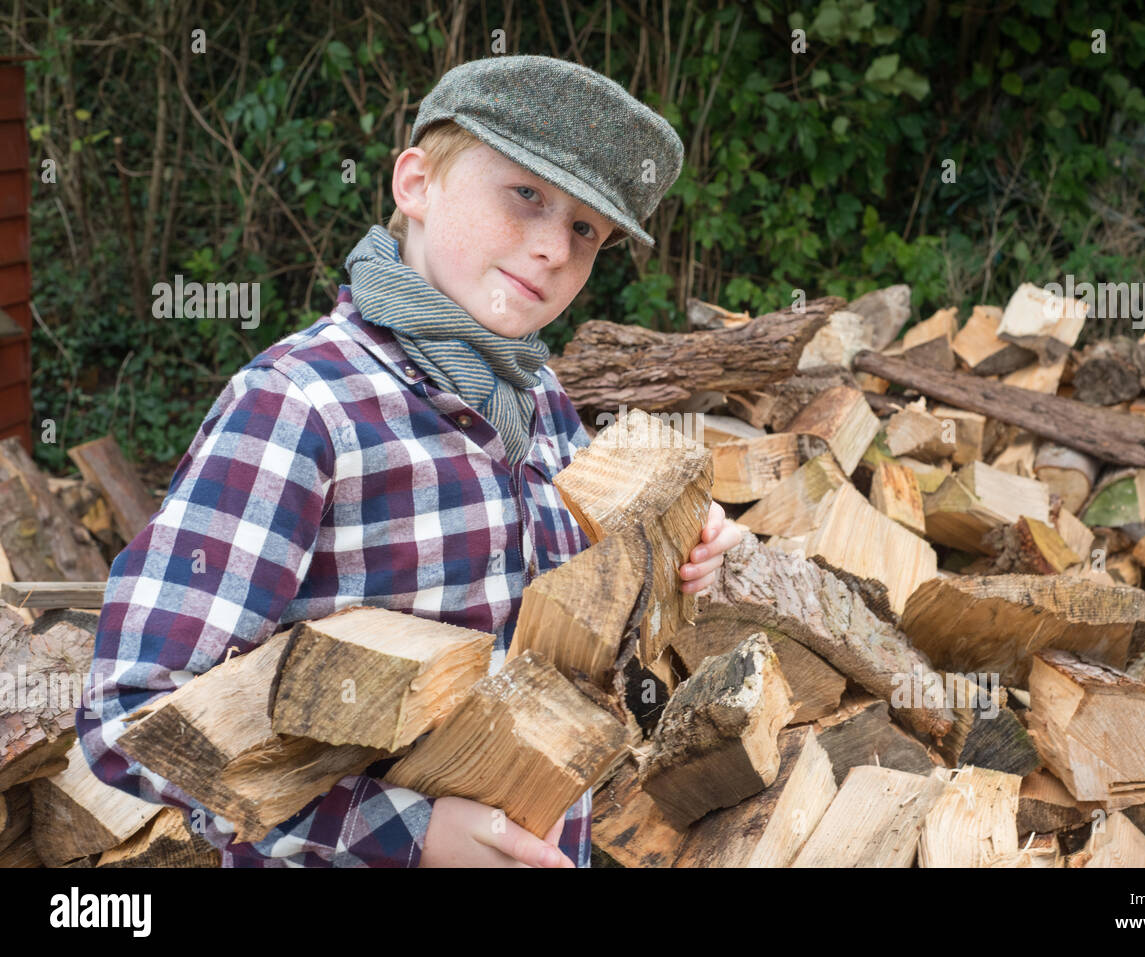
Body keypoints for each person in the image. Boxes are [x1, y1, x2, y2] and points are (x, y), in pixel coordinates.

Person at [75, 54, 742, 868]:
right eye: (526, 195)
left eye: (584, 230)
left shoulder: (538, 399)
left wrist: (676, 558)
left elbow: (566, 627)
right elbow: (134, 717)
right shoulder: (300, 407)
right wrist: (409, 834)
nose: (552, 249)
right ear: (416, 183)